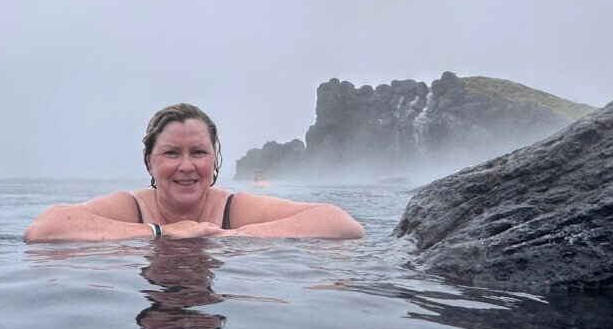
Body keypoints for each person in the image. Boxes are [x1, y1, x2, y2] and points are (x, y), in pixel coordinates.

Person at [24, 103, 365, 242]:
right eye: (171, 153)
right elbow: (44, 228)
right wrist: (163, 232)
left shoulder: (232, 210)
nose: (186, 166)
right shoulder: (132, 207)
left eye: (198, 153)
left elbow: (341, 224)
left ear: (214, 160)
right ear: (149, 163)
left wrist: (230, 238)